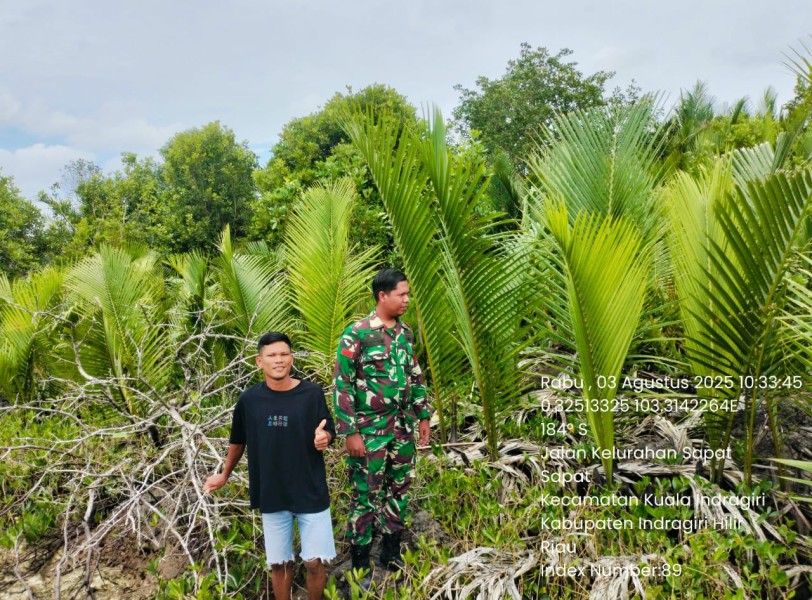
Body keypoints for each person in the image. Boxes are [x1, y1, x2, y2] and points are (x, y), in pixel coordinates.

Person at [204, 331, 336, 600]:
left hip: (310, 490)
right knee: (279, 563)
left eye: (284, 354)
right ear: (259, 361)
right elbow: (237, 442)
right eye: (272, 355)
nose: (279, 360)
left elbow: (328, 429)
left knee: (314, 561)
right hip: (272, 492)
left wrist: (325, 438)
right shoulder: (249, 401)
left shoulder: (312, 394)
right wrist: (224, 475)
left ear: (292, 358)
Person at [333, 268, 431, 578]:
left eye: (407, 293)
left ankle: (391, 553)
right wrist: (350, 432)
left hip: (402, 429)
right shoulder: (357, 334)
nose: (406, 299)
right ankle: (360, 561)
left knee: (399, 489)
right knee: (365, 494)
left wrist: (423, 415)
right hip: (369, 431)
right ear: (382, 296)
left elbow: (414, 376)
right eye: (401, 294)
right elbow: (342, 385)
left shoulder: (406, 334)